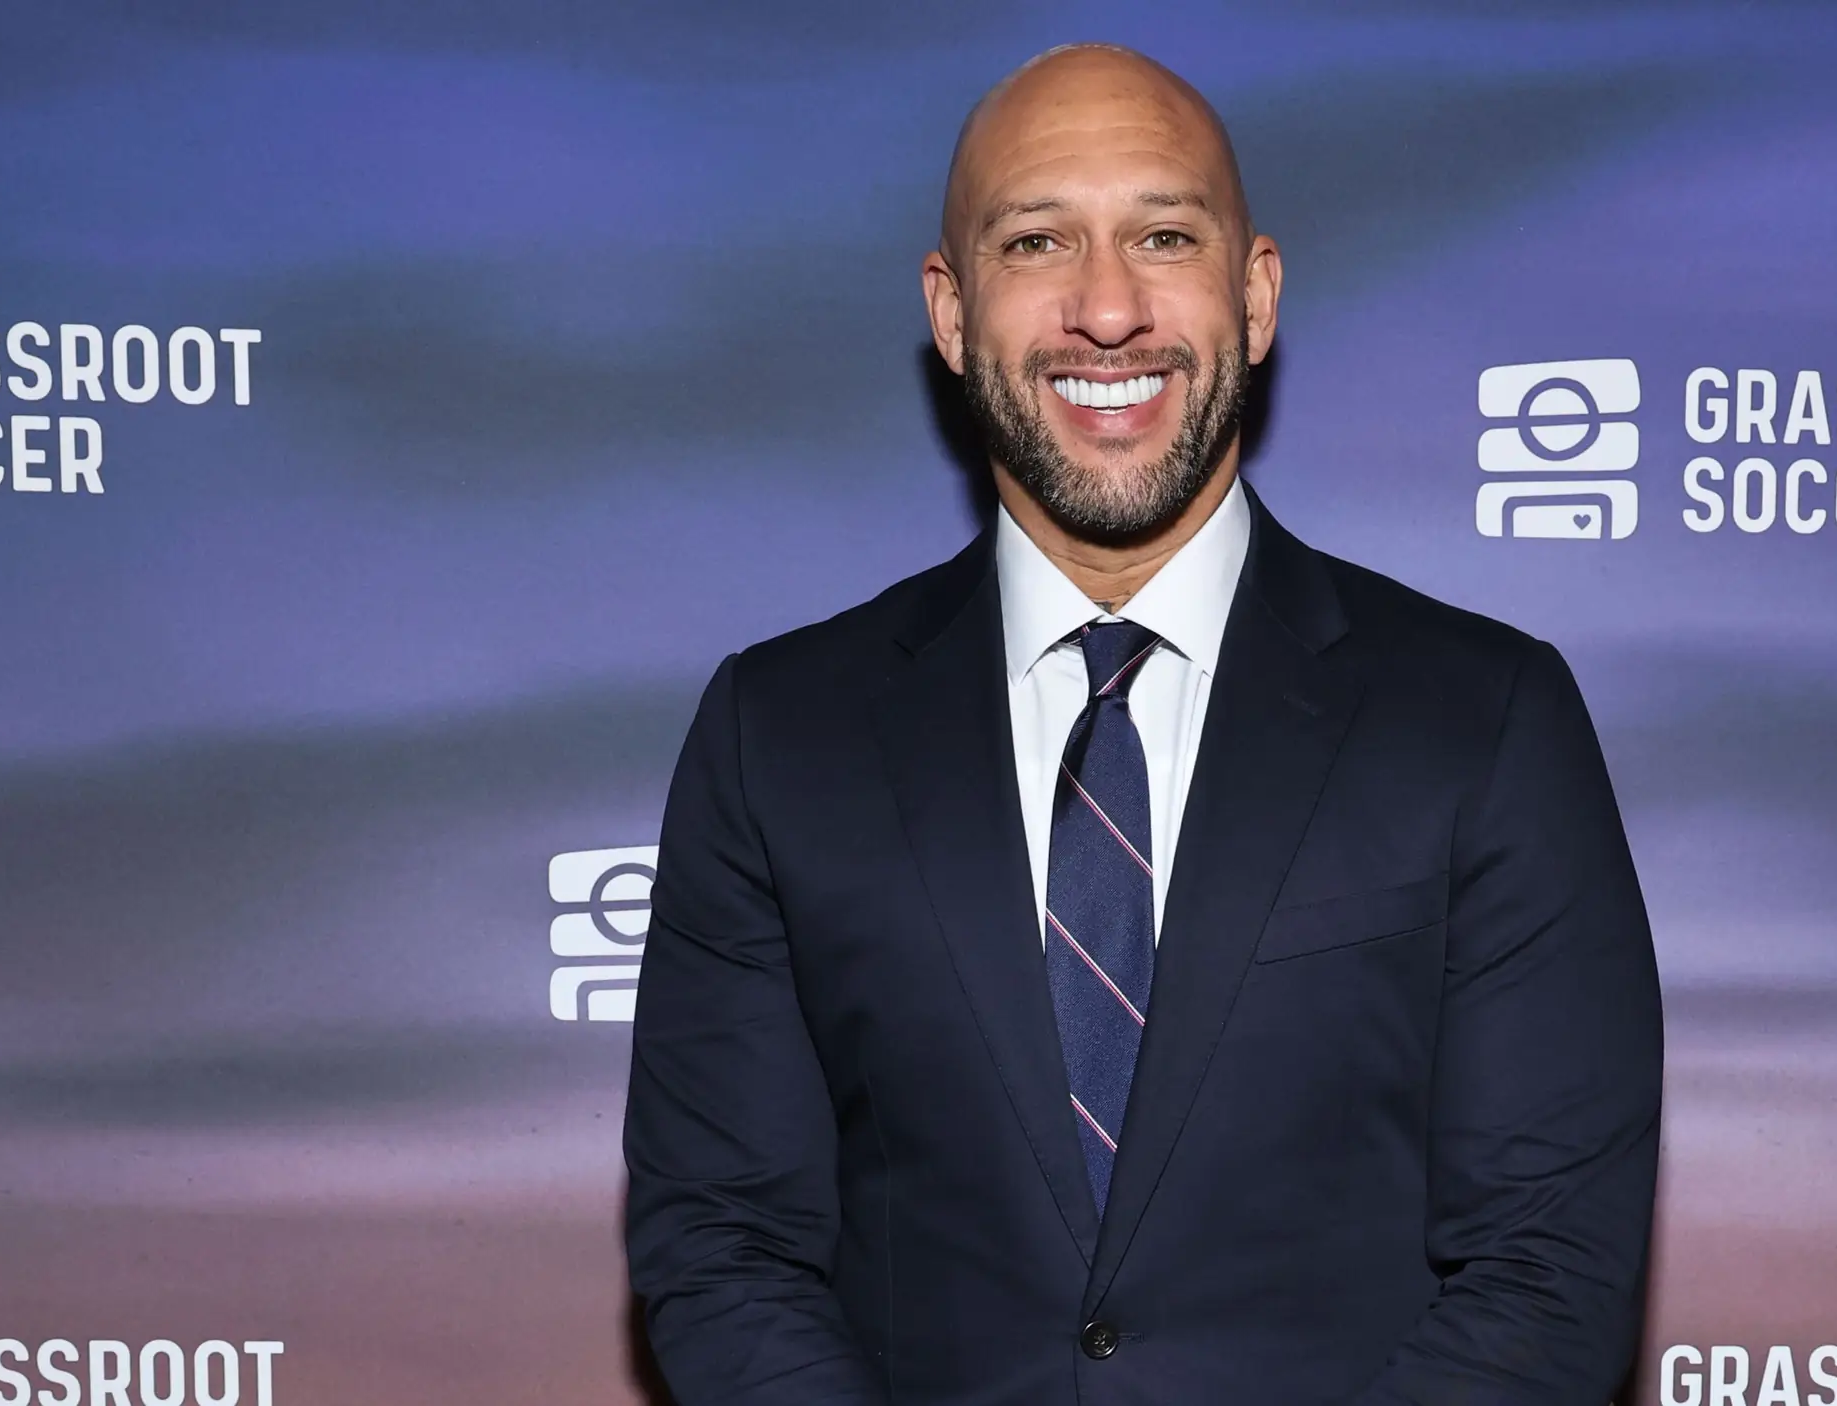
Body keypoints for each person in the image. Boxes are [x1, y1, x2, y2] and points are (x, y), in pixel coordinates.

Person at [623, 43, 1662, 1406]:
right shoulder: (779, 735)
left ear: (1255, 291)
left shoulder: (1485, 720)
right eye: (1037, 239)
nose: (1105, 309)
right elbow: (724, 1240)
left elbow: (1547, 1266)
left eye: (1164, 236)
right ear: (950, 309)